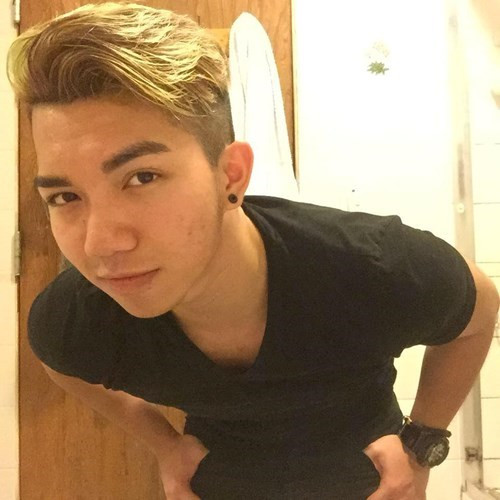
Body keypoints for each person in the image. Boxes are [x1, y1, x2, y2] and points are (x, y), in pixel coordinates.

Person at [8, 3, 499, 499]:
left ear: (231, 175)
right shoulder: (78, 318)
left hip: (370, 477)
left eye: (142, 177)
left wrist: (422, 444)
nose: (99, 245)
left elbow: (478, 313)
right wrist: (163, 444)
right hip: (220, 482)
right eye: (65, 197)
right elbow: (59, 359)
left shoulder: (369, 264)